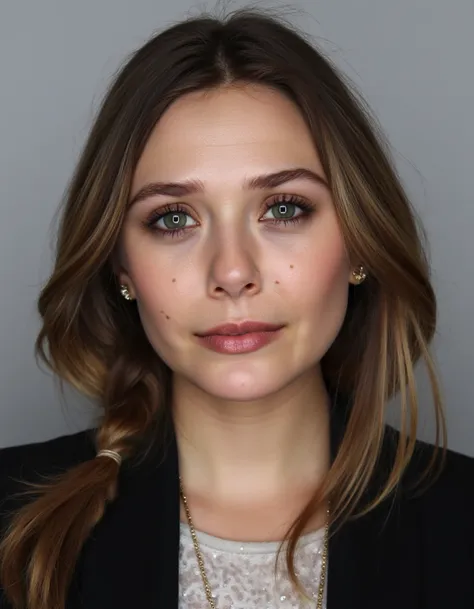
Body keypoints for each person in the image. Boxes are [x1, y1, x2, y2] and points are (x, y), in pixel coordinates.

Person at [0, 6, 473, 609]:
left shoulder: (462, 522)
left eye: (283, 208)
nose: (232, 273)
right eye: (174, 219)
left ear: (359, 242)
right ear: (122, 267)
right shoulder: (12, 522)